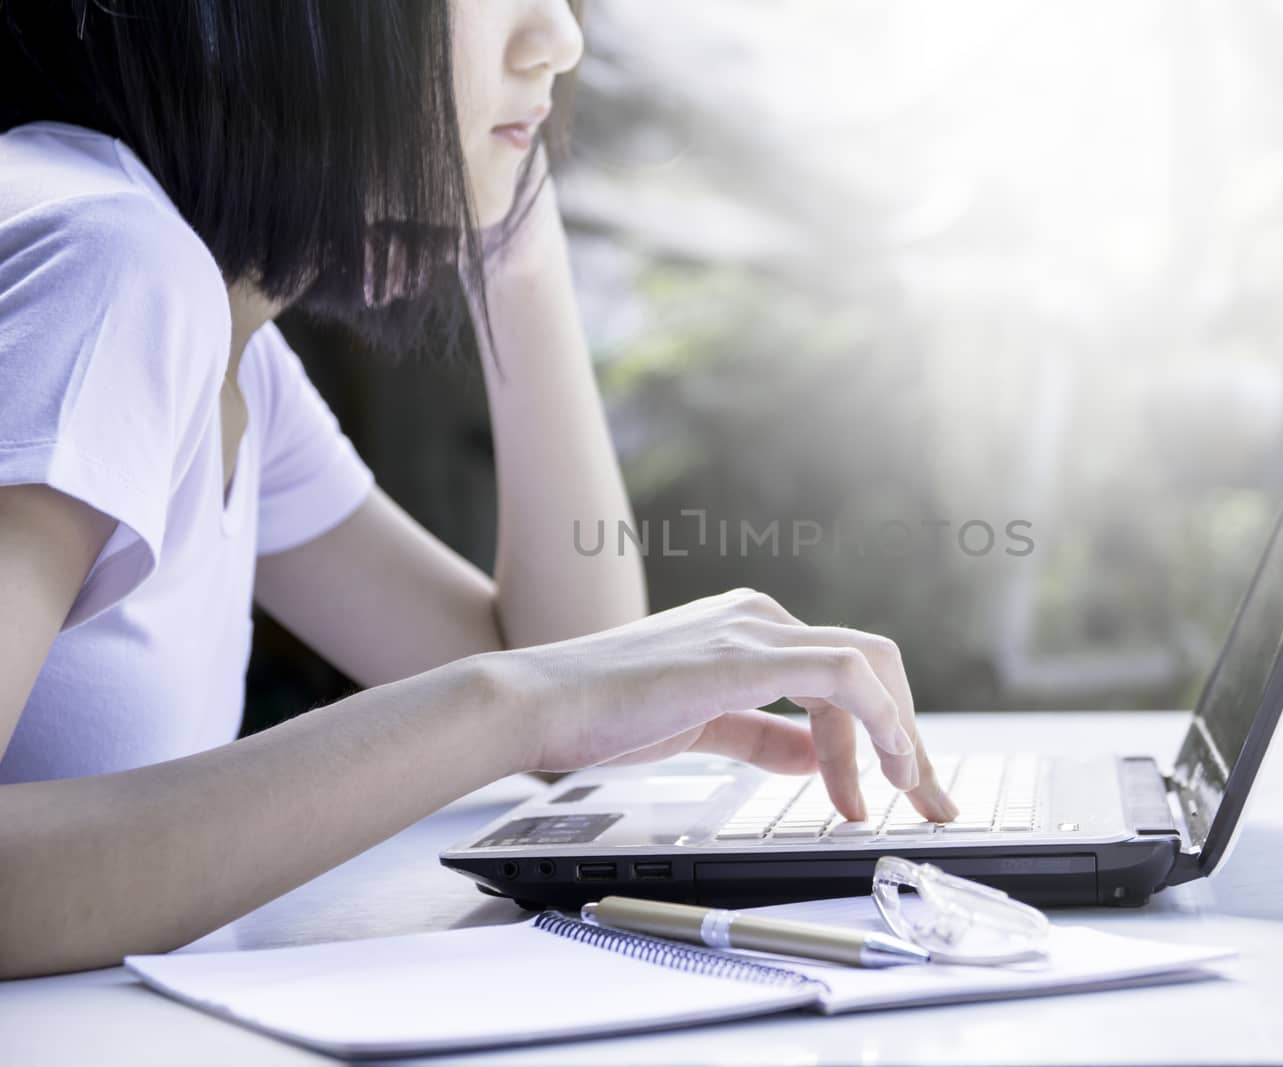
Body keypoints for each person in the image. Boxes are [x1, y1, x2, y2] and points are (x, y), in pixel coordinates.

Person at [0, 0, 957, 979]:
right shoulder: (109, 267)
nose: (562, 39)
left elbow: (568, 693)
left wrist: (522, 251)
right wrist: (516, 705)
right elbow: (540, 694)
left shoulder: (229, 347)